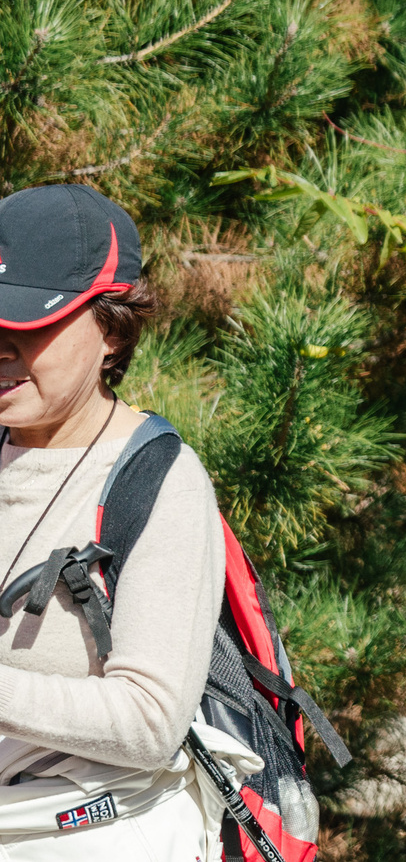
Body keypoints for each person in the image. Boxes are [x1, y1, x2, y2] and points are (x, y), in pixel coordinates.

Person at [0, 183, 225, 859]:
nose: (2, 346)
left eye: (27, 323)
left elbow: (152, 720)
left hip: (87, 832)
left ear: (112, 330)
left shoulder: (159, 484)